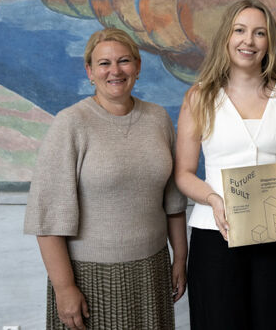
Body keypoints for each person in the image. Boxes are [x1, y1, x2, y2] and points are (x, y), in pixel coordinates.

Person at [24, 28, 188, 330]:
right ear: (90, 71)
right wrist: (64, 288)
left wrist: (179, 258)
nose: (115, 71)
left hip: (152, 272)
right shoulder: (70, 123)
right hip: (89, 278)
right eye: (104, 63)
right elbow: (48, 219)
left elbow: (174, 203)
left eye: (124, 61)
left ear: (137, 66)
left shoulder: (159, 118)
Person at [174, 0, 276, 330]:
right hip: (215, 234)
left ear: (269, 42)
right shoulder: (200, 97)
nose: (249, 40)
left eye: (259, 33)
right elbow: (184, 174)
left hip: (275, 235)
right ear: (226, 36)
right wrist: (212, 199)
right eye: (240, 30)